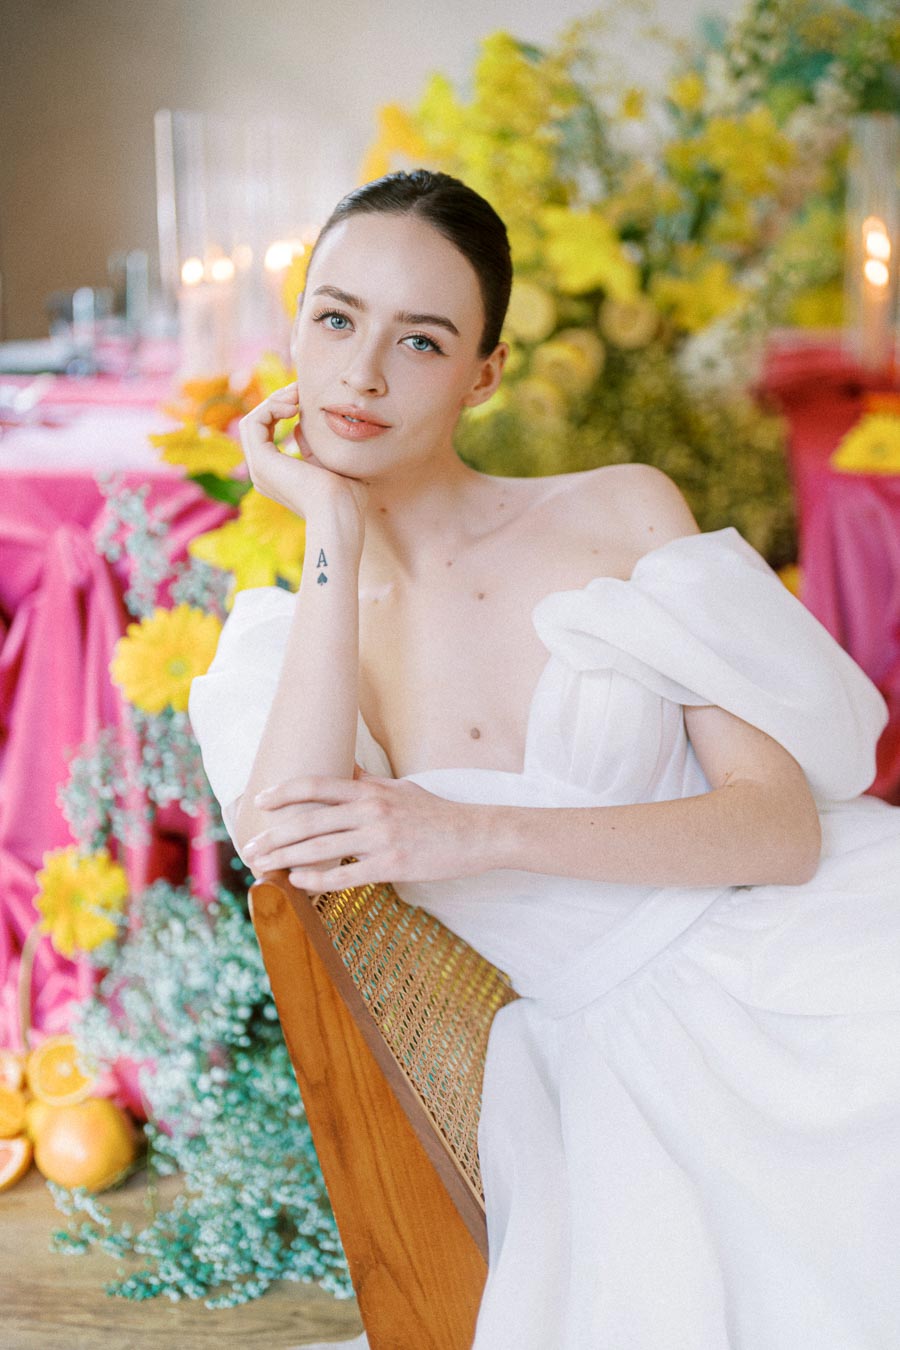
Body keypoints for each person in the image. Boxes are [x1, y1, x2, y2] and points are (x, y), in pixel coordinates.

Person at [188, 169, 900, 1350]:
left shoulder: (621, 512)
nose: (361, 374)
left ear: (485, 374)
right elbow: (289, 843)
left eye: (421, 340)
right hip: (600, 1069)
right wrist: (330, 528)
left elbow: (781, 831)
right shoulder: (288, 637)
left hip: (810, 955)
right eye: (335, 318)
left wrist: (473, 831)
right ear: (296, 330)